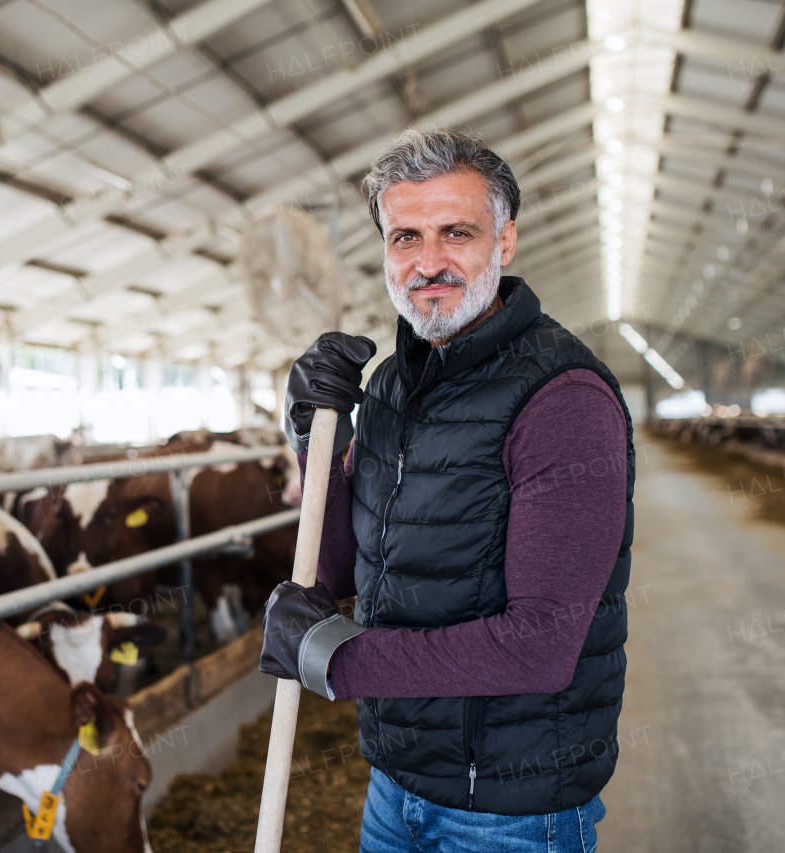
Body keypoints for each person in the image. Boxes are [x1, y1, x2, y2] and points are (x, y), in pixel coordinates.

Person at [259, 127, 635, 852]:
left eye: (455, 232)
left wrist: (336, 659)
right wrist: (313, 436)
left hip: (510, 812)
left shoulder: (563, 398)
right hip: (396, 785)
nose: (428, 262)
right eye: (404, 237)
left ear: (506, 240)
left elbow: (541, 647)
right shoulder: (395, 385)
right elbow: (336, 570)